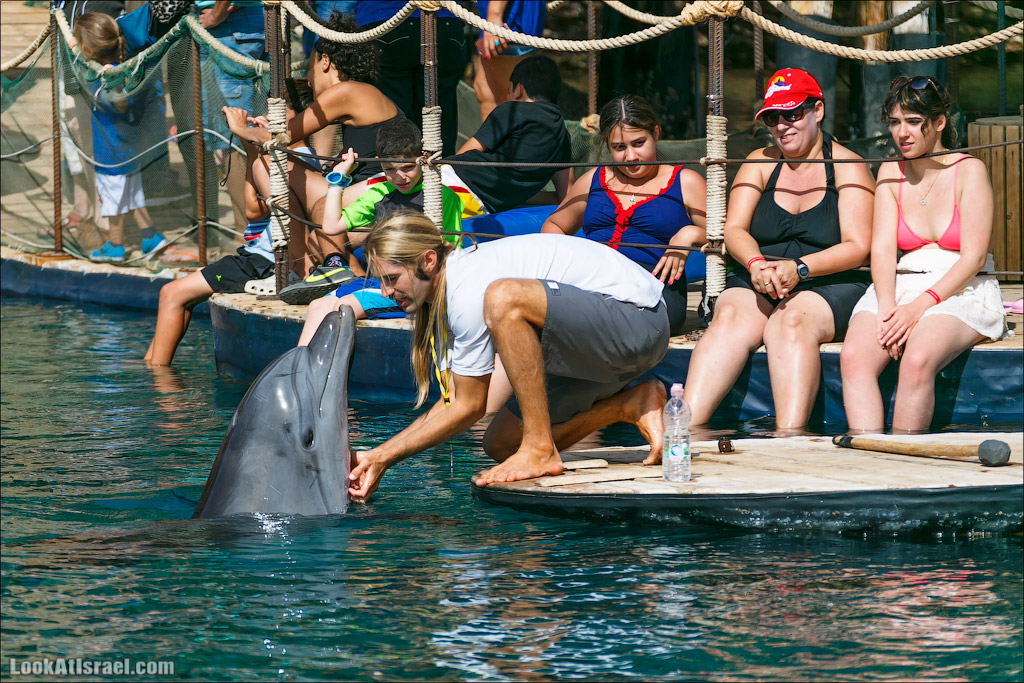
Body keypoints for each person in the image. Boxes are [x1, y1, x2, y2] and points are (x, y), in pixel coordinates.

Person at [346, 212, 671, 502]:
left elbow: (470, 407)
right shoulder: (448, 299)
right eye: (381, 281)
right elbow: (457, 401)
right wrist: (376, 456)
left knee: (504, 298)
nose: (386, 292)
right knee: (502, 444)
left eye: (391, 279)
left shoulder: (468, 283)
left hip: (640, 323)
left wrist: (385, 456)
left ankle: (540, 449)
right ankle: (628, 406)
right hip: (599, 348)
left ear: (428, 261)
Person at [683, 68, 874, 433]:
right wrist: (755, 263)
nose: (782, 125)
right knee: (729, 321)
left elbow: (858, 248)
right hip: (760, 275)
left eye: (792, 114)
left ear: (817, 111)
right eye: (773, 117)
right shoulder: (759, 162)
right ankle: (683, 432)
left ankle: (789, 436)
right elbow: (734, 229)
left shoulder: (848, 166)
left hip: (829, 281)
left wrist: (800, 268)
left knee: (791, 322)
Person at [840, 77, 1007, 433]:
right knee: (854, 357)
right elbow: (882, 249)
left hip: (961, 287)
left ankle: (903, 462)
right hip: (899, 284)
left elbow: (974, 258)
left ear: (939, 123)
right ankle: (868, 459)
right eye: (895, 122)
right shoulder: (889, 171)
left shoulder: (969, 171)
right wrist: (886, 306)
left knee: (916, 359)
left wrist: (918, 308)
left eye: (914, 122)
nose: (902, 133)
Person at [225, 11, 402, 278]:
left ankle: (299, 268)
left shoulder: (346, 91)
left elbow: (281, 137)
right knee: (314, 240)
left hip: (382, 191)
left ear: (326, 62)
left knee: (269, 163)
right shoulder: (362, 92)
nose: (308, 79)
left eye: (309, 67)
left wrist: (240, 128)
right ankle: (338, 276)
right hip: (373, 189)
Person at [144, 96, 319, 365]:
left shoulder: (293, 159)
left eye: (280, 117)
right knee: (178, 297)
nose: (269, 122)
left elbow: (253, 210)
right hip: (254, 257)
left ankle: (158, 379)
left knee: (171, 293)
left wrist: (248, 143)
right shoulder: (296, 157)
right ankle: (151, 365)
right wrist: (253, 150)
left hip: (264, 263)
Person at [541, 94, 706, 336]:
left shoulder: (686, 182)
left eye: (639, 143)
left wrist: (689, 233)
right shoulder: (592, 181)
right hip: (593, 283)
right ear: (607, 146)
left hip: (654, 292)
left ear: (656, 134)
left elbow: (721, 237)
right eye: (619, 148)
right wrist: (571, 259)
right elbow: (554, 225)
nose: (630, 157)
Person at [291, 117, 463, 319]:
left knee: (342, 306)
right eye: (389, 169)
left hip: (414, 286)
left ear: (422, 158)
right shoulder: (380, 192)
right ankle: (303, 352)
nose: (400, 177)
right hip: (381, 283)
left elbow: (451, 249)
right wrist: (337, 180)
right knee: (317, 306)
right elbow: (330, 226)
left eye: (407, 167)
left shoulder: (441, 196)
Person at [72, 12, 167, 264]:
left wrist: (113, 81)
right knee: (132, 196)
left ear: (89, 50)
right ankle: (150, 236)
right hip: (127, 149)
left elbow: (123, 106)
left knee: (113, 203)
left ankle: (116, 245)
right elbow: (78, 51)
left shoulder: (111, 76)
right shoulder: (106, 65)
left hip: (111, 153)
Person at [441, 54, 572, 217]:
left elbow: (463, 156)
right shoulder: (563, 137)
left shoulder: (511, 110)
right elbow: (564, 195)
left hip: (455, 183)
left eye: (508, 91)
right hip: (481, 206)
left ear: (518, 90)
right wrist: (517, 193)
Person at [354, 1, 468, 157]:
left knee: (392, 113)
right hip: (445, 24)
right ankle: (440, 172)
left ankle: (399, 174)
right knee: (440, 118)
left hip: (386, 21)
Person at [471, 1, 545, 121]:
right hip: (492, 14)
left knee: (515, 100)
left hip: (506, 16)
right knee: (485, 93)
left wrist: (494, 17)